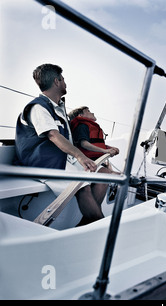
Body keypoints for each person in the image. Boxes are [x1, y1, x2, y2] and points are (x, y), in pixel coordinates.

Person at [14, 63, 112, 226]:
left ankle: (86, 222)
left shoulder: (58, 110)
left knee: (104, 175)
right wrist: (80, 157)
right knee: (82, 186)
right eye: (63, 79)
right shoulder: (38, 107)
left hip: (59, 159)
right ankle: (99, 227)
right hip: (42, 163)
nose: (65, 82)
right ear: (57, 81)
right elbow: (53, 135)